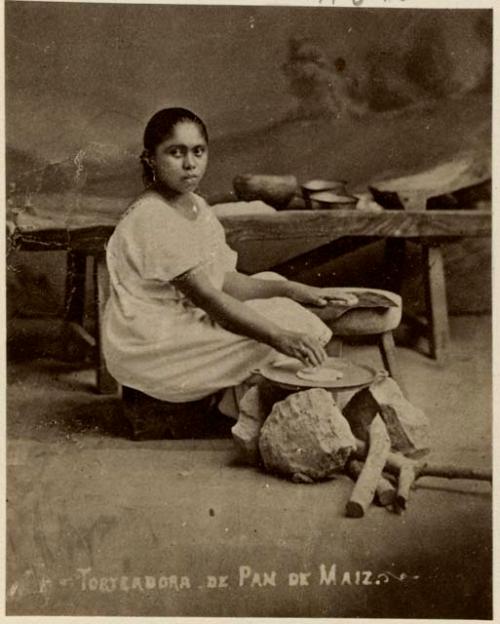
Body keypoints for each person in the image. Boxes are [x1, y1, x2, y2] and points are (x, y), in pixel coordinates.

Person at [103, 107, 357, 406]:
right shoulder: (153, 217)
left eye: (198, 151)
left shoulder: (196, 205)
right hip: (152, 343)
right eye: (176, 152)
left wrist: (291, 289)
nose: (190, 164)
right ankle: (251, 407)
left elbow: (224, 280)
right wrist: (280, 336)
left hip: (183, 317)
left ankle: (245, 402)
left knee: (273, 288)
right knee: (278, 329)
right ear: (151, 159)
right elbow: (211, 298)